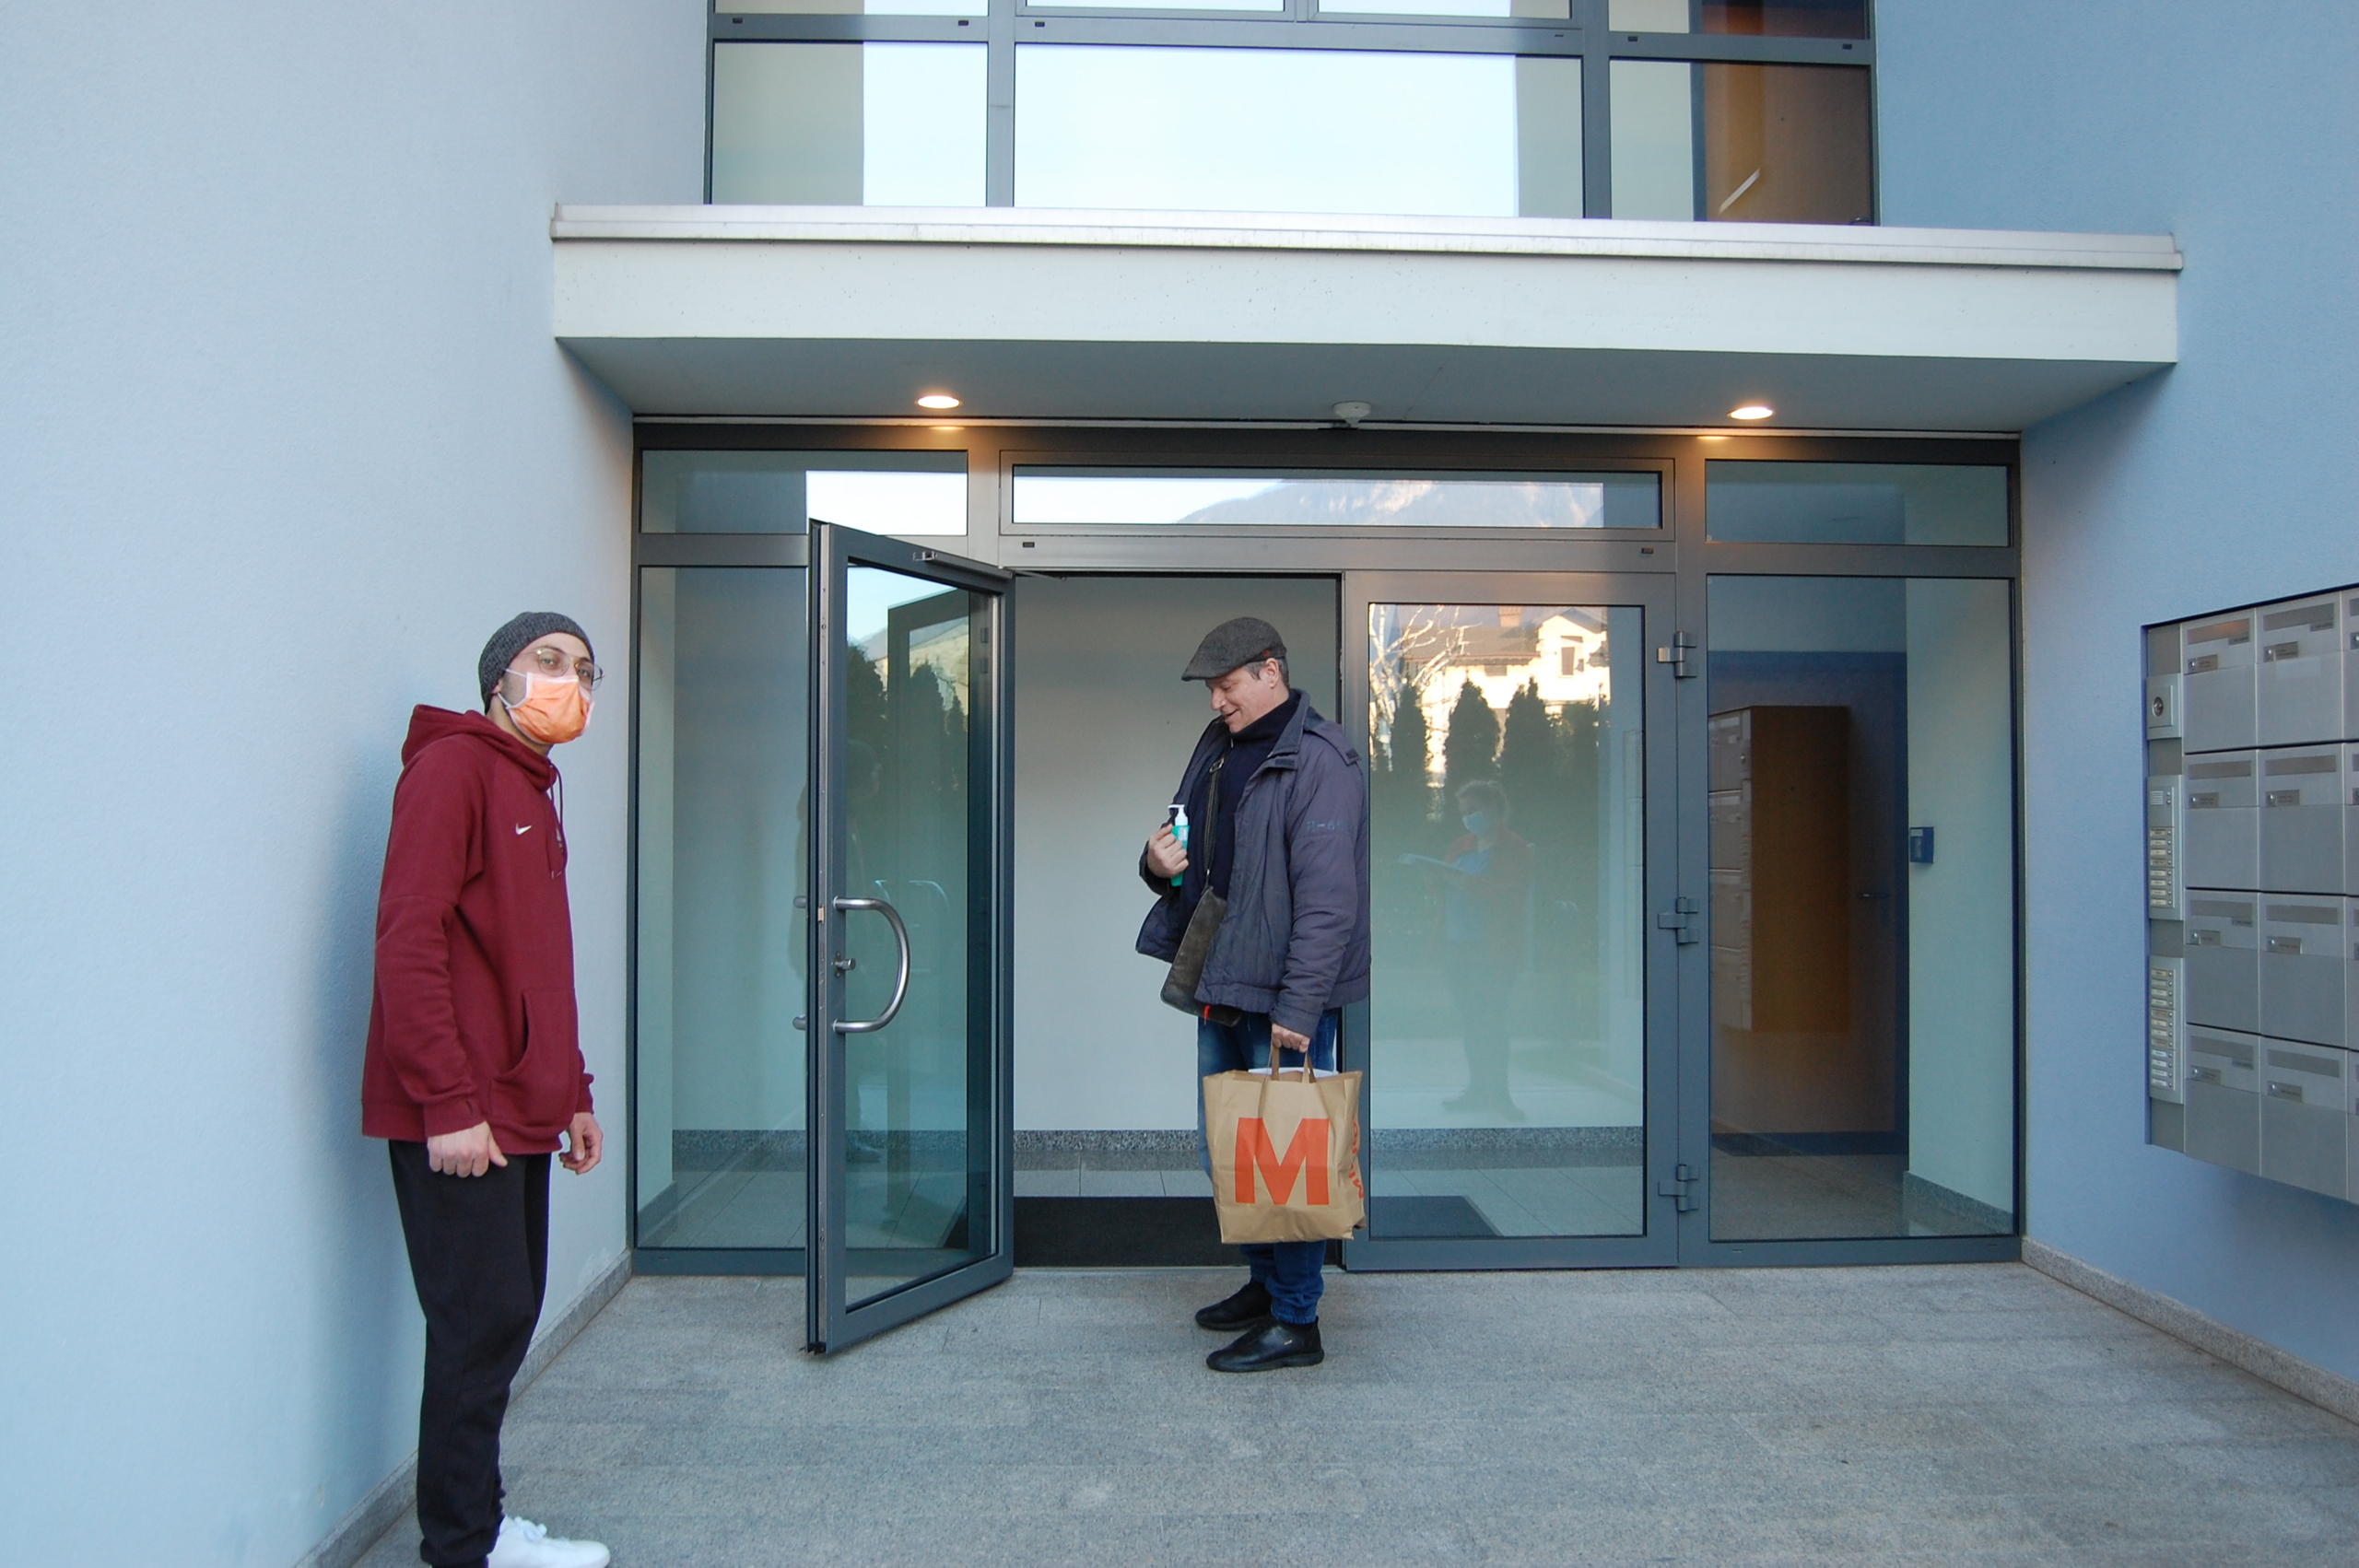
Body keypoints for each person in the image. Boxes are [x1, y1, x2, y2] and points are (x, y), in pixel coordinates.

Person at [360, 613, 611, 1568]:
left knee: (504, 1312)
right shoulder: (451, 771)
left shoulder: (532, 789)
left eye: (584, 670)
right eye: (549, 661)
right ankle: (463, 1545)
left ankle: (479, 1523)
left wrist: (574, 1089)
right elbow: (409, 938)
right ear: (497, 676)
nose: (569, 683)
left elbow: (538, 966)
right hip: (463, 1113)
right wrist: (447, 1102)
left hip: (522, 1108)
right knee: (480, 1320)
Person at [1137, 616, 1371, 1374]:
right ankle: (1267, 1286)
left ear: (1271, 671)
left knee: (1288, 1155)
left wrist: (1301, 1011)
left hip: (1282, 996)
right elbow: (1194, 854)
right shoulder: (1218, 748)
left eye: (1227, 685)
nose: (1216, 701)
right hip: (1220, 974)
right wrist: (1156, 863)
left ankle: (1297, 1321)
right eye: (1211, 688)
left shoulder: (1320, 760)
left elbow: (1329, 903)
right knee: (1234, 1149)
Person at [1433, 779, 1533, 1122]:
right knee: (1471, 1021)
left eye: (1473, 810)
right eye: (1463, 812)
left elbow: (1510, 895)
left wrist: (1470, 885)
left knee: (1493, 1021)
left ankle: (1499, 1094)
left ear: (1493, 809)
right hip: (1457, 945)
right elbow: (1440, 886)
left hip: (1493, 950)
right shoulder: (1462, 845)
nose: (1468, 818)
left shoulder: (1513, 848)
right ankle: (1477, 1089)